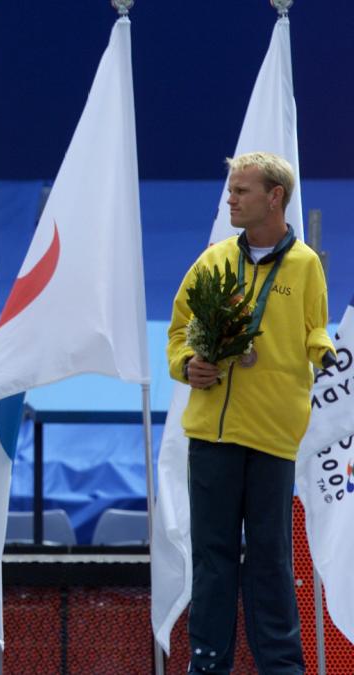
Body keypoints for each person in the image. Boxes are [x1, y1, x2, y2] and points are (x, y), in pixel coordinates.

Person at [167, 151, 336, 674]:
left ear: (274, 197)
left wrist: (328, 356)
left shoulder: (306, 265)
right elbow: (178, 335)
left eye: (241, 191)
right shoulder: (213, 260)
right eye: (231, 189)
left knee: (271, 563)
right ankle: (207, 663)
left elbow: (314, 330)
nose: (230, 199)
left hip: (272, 437)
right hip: (213, 436)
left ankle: (282, 668)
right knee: (212, 562)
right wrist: (186, 365)